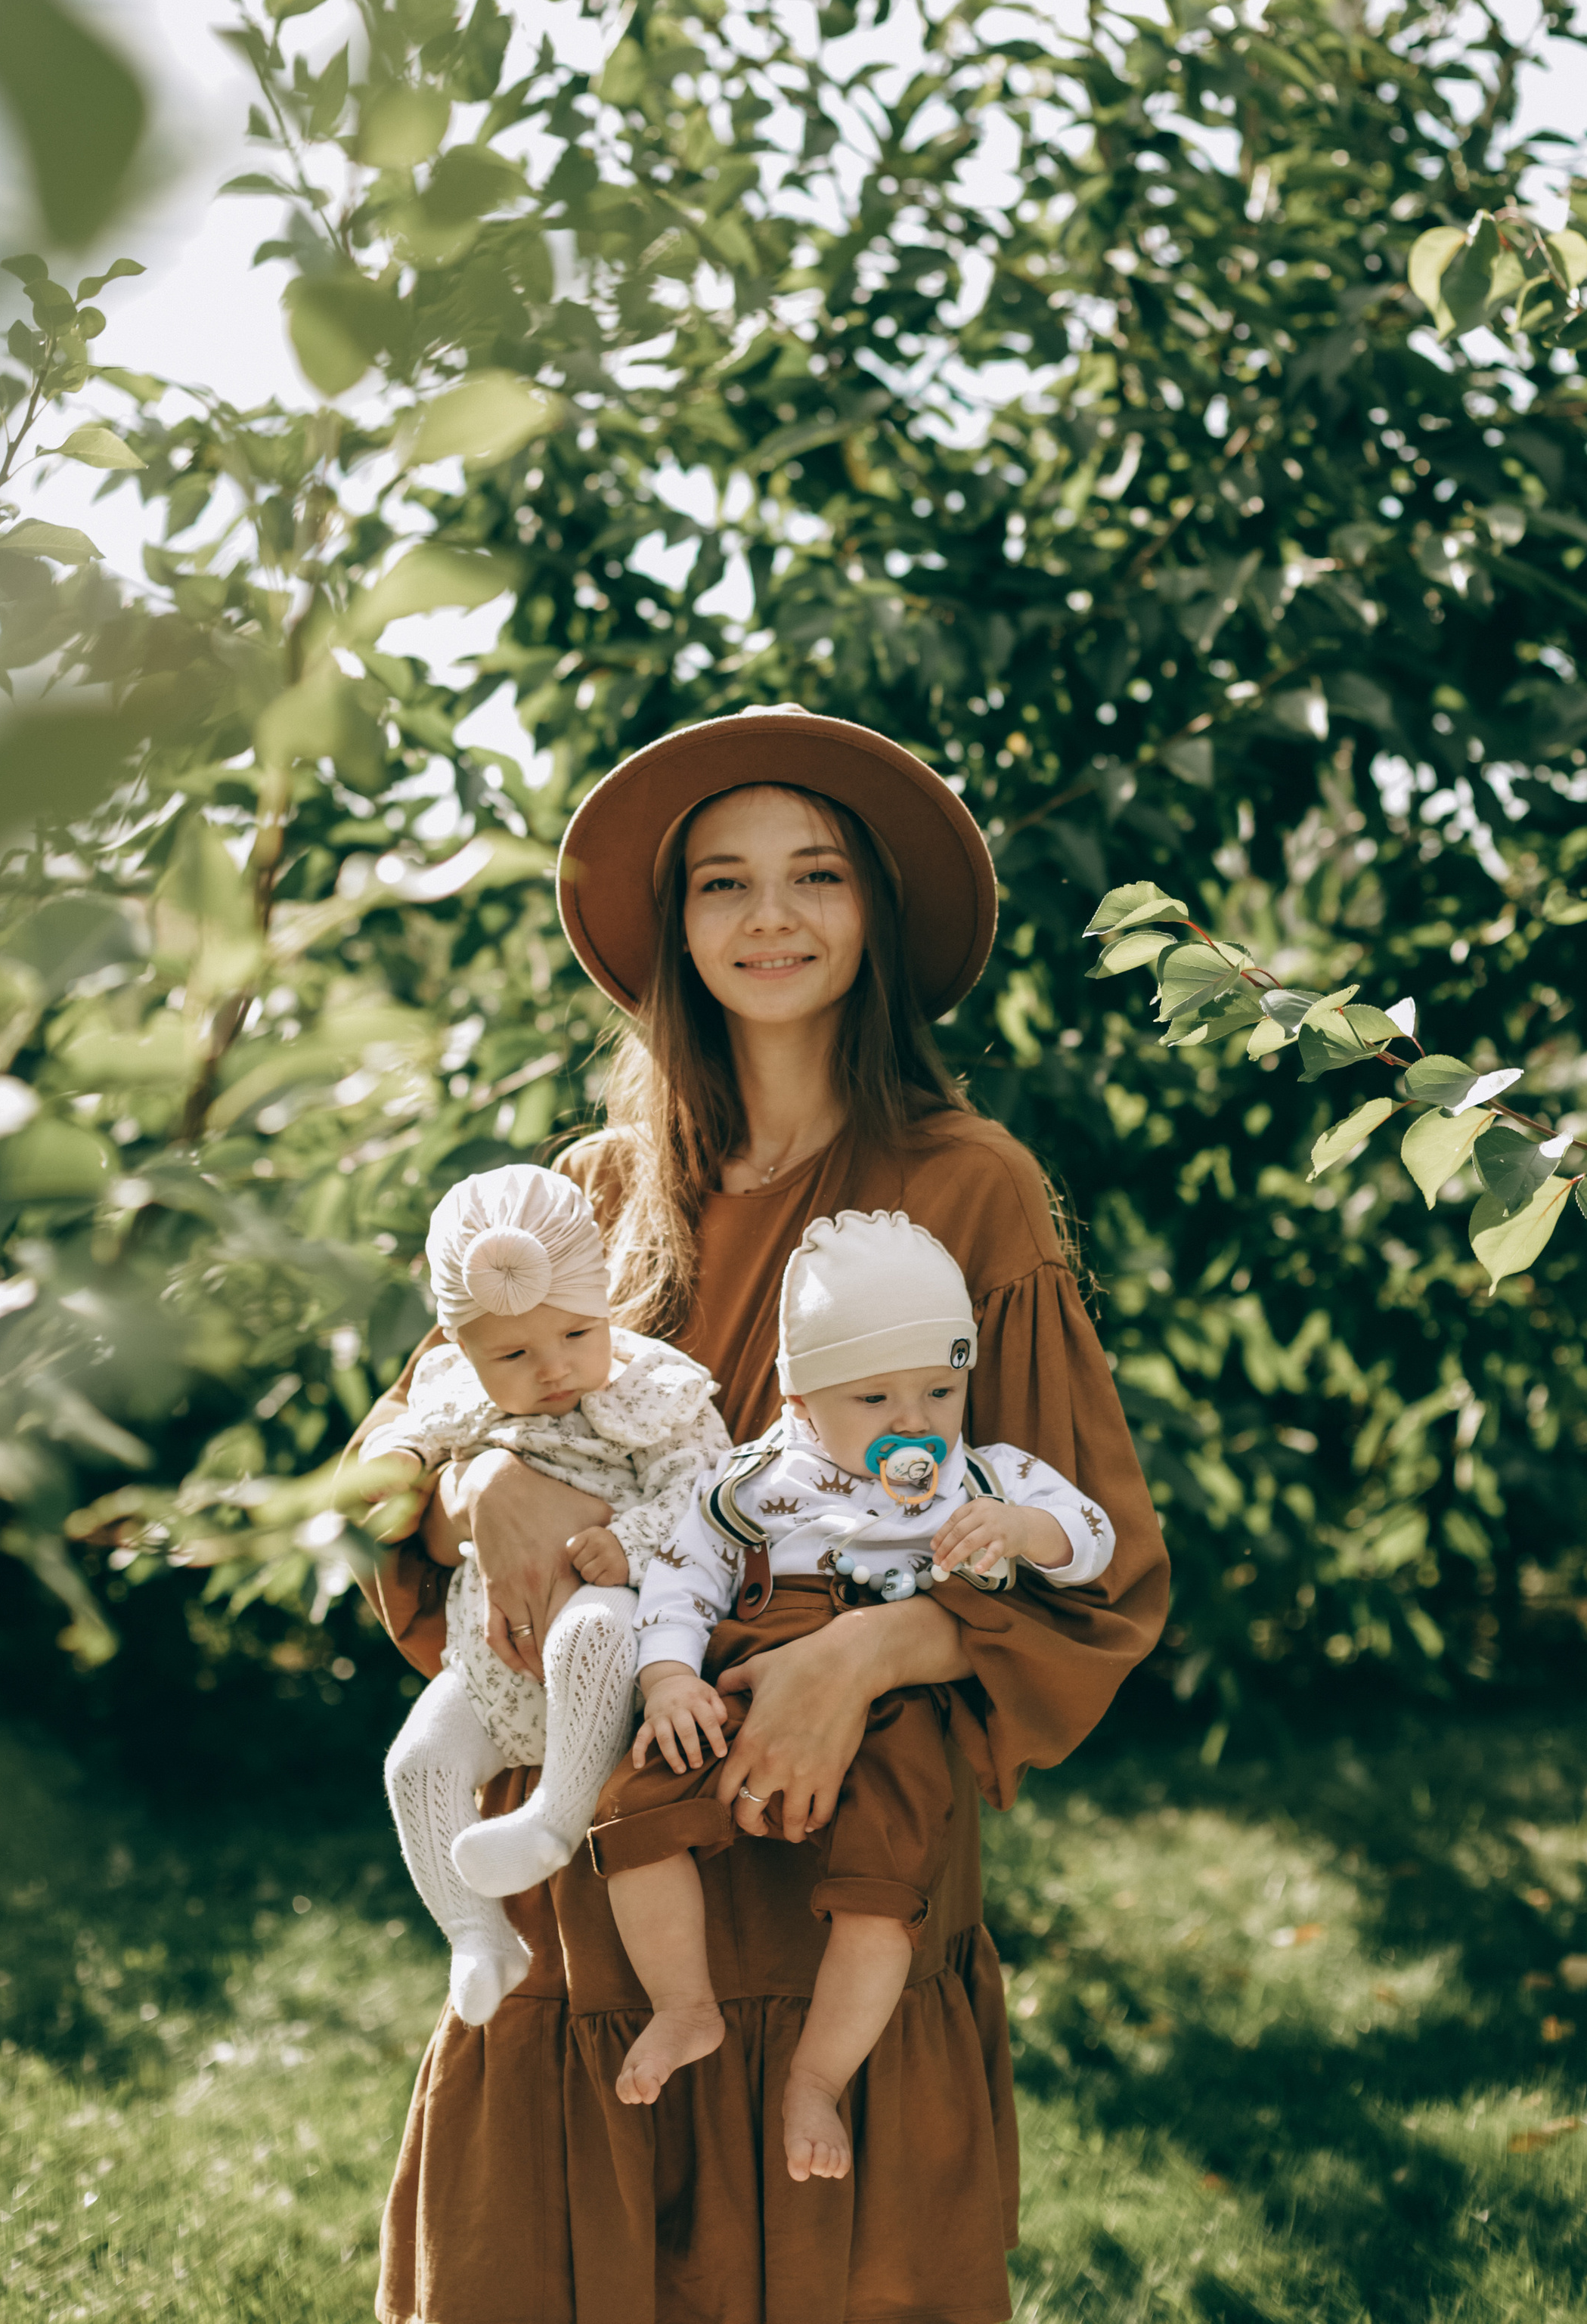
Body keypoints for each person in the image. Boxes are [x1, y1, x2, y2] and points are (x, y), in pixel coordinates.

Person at [349, 704, 1171, 2324]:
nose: (770, 918)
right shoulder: (578, 1199)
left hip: (837, 1835)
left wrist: (859, 1658)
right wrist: (474, 1481)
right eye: (723, 884)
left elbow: (1097, 1564)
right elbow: (379, 1465)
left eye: (813, 876)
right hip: (602, 1836)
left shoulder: (967, 1186)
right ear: (674, 929)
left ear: (872, 914)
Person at [594, 1206, 1117, 2185]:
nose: (914, 1419)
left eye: (940, 1388)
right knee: (634, 1812)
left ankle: (818, 2080)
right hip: (745, 1671)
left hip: (900, 1708)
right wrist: (667, 1673)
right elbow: (681, 1570)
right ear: (799, 1398)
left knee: (885, 1894)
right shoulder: (755, 1481)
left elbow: (1093, 1539)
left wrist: (1019, 1529)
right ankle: (684, 2004)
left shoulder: (982, 1478)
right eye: (873, 1396)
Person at [358, 1162, 728, 2024]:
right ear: (463, 1351)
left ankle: (556, 1816)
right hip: (489, 1661)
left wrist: (624, 1542)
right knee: (415, 1765)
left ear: (605, 1306)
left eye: (576, 1334)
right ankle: (476, 1935)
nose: (555, 1368)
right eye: (514, 1354)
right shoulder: (459, 1394)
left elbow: (704, 1493)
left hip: (608, 1624)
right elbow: (410, 1440)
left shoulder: (649, 1391)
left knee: (589, 1632)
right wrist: (407, 1473)